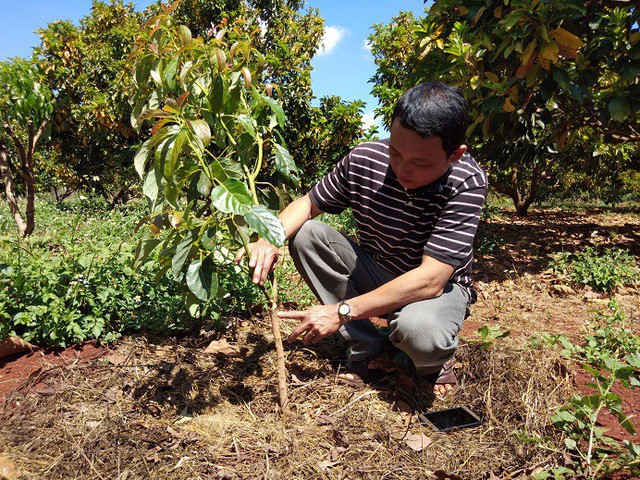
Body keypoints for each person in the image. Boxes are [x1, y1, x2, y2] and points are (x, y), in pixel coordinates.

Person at [235, 81, 487, 395]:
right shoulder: (366, 159)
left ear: (454, 155)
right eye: (396, 152)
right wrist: (270, 237)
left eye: (420, 162)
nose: (402, 169)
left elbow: (431, 279)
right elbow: (309, 204)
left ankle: (435, 360)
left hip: (434, 289)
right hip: (379, 271)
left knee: (420, 333)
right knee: (305, 235)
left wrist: (340, 311)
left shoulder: (466, 180)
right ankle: (367, 348)